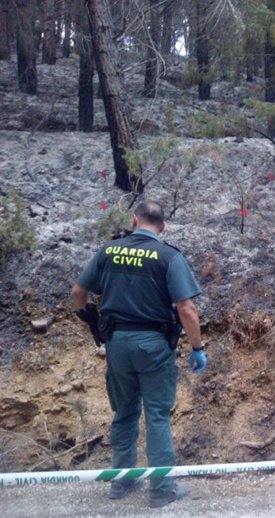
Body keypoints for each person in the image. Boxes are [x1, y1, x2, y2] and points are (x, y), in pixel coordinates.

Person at [71, 200, 207, 509]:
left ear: (134, 220)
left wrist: (89, 319)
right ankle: (161, 489)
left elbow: (78, 293)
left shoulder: (109, 251)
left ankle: (123, 482)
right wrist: (198, 348)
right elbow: (186, 308)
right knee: (157, 414)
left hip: (117, 343)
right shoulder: (168, 256)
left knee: (124, 411)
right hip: (154, 344)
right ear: (163, 227)